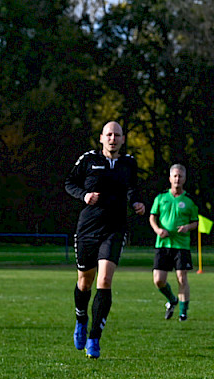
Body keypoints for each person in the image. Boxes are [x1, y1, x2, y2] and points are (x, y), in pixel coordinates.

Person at [65, 121, 145, 359]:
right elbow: (70, 183)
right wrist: (85, 195)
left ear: (122, 139)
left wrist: (136, 203)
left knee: (105, 280)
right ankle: (81, 318)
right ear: (101, 138)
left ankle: (94, 339)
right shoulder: (88, 160)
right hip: (88, 228)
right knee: (84, 282)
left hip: (114, 229)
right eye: (109, 134)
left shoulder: (128, 163)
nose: (112, 138)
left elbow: (133, 189)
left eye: (117, 135)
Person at [149, 164, 199, 321]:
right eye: (175, 176)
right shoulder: (161, 198)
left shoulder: (189, 201)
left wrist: (187, 227)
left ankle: (183, 313)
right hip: (163, 244)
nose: (177, 179)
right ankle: (172, 299)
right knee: (158, 280)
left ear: (184, 179)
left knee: (182, 278)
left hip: (181, 246)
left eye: (180, 176)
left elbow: (196, 222)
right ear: (170, 178)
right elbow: (152, 217)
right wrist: (157, 230)